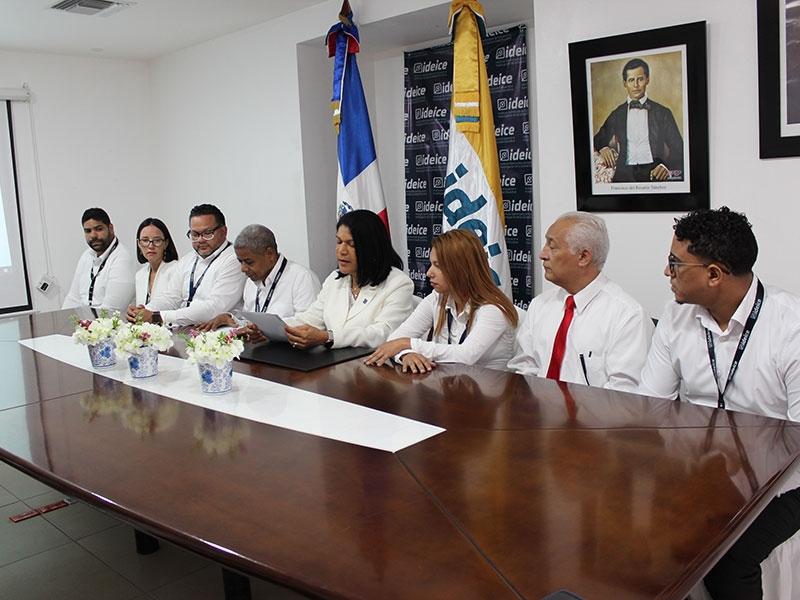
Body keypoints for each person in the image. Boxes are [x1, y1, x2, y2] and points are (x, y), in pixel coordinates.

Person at [639, 207, 800, 600]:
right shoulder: (676, 319)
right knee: (637, 532)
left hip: (783, 483)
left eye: (676, 263)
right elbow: (651, 406)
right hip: (700, 473)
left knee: (729, 561)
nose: (666, 272)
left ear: (714, 274)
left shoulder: (791, 327)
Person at [507, 212, 653, 392]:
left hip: (594, 410)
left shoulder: (627, 316)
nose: (542, 254)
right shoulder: (540, 305)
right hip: (537, 407)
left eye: (552, 246)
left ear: (583, 257)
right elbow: (523, 367)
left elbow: (624, 393)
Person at [365, 229, 518, 372]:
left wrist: (408, 344)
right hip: (451, 384)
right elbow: (394, 340)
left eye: (438, 266)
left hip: (490, 389)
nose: (429, 273)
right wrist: (406, 354)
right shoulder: (437, 298)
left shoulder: (493, 309)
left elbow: (467, 355)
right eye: (431, 264)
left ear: (462, 269)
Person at [284, 209, 414, 349]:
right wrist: (275, 328)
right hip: (334, 360)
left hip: (373, 361)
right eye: (339, 242)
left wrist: (329, 337)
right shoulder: (334, 280)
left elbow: (382, 333)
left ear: (371, 247)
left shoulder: (398, 284)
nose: (342, 251)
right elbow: (310, 319)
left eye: (351, 244)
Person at [127, 204, 245, 326]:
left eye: (207, 233)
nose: (200, 240)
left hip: (217, 331)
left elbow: (214, 308)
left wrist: (157, 316)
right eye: (195, 234)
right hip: (183, 328)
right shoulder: (188, 259)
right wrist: (144, 311)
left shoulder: (234, 259)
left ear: (224, 231)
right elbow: (170, 297)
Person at [197, 224, 320, 334]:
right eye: (240, 262)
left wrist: (263, 329)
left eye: (249, 262)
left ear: (270, 254)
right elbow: (251, 321)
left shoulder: (302, 277)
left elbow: (310, 324)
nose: (243, 269)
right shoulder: (251, 281)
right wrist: (230, 318)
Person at [593, 57, 684, 183]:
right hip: (623, 176)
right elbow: (598, 139)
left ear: (647, 79)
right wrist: (604, 148)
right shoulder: (618, 114)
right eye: (631, 80)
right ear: (625, 83)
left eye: (640, 79)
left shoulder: (663, 113)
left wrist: (665, 167)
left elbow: (679, 149)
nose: (636, 85)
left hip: (654, 174)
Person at [62, 207, 136, 311]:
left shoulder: (122, 259)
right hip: (86, 319)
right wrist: (62, 319)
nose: (93, 235)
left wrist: (83, 320)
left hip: (109, 320)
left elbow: (111, 310)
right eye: (88, 231)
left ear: (111, 228)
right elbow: (73, 298)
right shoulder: (87, 255)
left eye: (98, 229)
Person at [133, 218, 180, 306]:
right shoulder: (140, 275)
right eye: (145, 240)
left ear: (166, 243)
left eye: (157, 240)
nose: (151, 246)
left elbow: (174, 305)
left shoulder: (176, 270)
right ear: (139, 244)